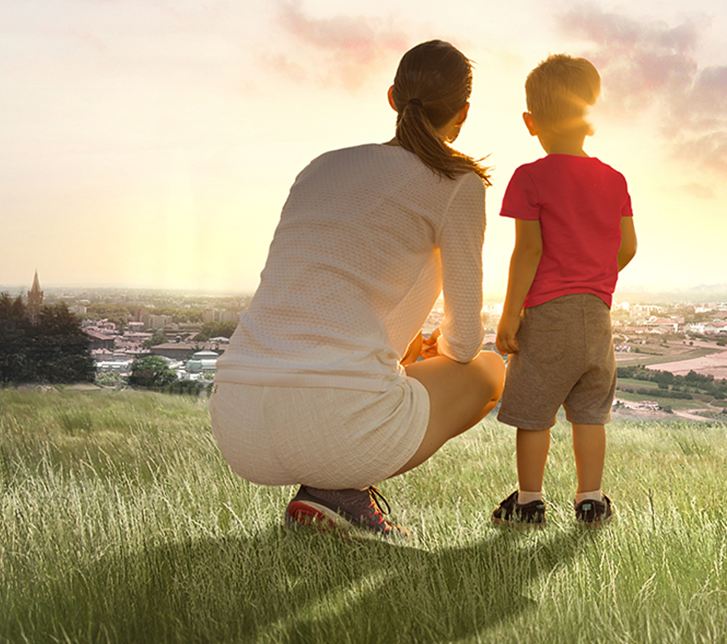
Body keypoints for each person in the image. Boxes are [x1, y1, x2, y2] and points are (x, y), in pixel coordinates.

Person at [209, 40, 506, 540]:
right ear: (464, 113)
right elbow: (465, 341)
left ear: (392, 97)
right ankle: (339, 492)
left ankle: (330, 492)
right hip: (338, 424)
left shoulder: (323, 166)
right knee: (490, 370)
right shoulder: (458, 182)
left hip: (237, 421)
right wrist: (439, 350)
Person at [490, 54, 636, 529]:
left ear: (531, 123)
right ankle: (590, 500)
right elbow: (628, 247)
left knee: (535, 413)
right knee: (590, 412)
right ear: (590, 122)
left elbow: (527, 251)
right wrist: (593, 274)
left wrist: (510, 316)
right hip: (597, 314)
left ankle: (529, 502)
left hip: (548, 314)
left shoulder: (529, 177)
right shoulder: (615, 180)